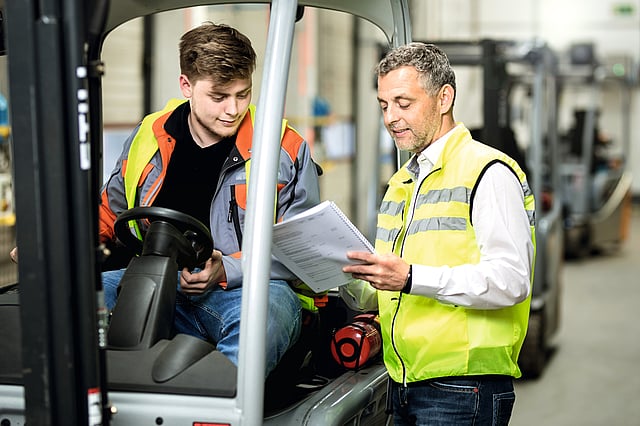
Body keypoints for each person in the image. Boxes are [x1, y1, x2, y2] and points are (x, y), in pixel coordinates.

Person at [98, 22, 321, 377]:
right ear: (186, 85)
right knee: (70, 303)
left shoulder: (284, 148)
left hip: (248, 291)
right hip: (155, 280)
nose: (233, 109)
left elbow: (306, 250)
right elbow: (109, 213)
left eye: (243, 94)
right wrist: (55, 249)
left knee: (262, 317)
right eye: (219, 96)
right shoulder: (149, 136)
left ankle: (216, 407)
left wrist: (226, 270)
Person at [341, 42, 536, 425]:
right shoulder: (402, 183)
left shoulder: (488, 172)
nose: (391, 117)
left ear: (444, 97)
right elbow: (389, 284)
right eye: (384, 105)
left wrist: (412, 277)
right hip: (403, 382)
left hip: (464, 388)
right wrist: (339, 274)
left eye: (403, 102)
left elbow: (513, 280)